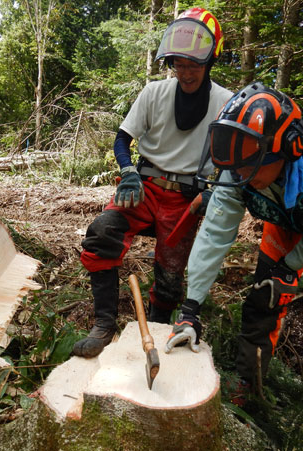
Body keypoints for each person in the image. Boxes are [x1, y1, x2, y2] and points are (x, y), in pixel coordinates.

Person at [167, 82, 303, 402]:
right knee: (264, 295)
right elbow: (215, 232)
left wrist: (291, 266)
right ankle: (250, 379)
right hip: (283, 218)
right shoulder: (237, 174)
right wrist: (190, 309)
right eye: (234, 167)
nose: (239, 173)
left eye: (249, 166)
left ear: (286, 150)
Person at [71, 8, 233, 358]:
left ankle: (159, 326)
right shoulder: (154, 93)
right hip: (144, 187)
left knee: (171, 276)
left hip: (186, 196)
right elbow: (121, 139)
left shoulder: (225, 102)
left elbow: (235, 158)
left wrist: (214, 191)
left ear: (210, 61)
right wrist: (128, 170)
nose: (186, 73)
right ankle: (103, 324)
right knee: (102, 231)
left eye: (193, 65)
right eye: (179, 64)